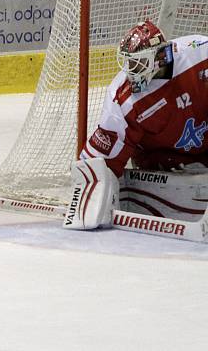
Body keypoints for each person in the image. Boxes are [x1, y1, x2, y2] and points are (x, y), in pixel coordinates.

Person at [64, 20, 208, 230]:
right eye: (129, 63)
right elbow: (97, 162)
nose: (130, 70)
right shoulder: (123, 98)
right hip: (163, 165)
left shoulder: (200, 55)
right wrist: (88, 199)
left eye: (138, 63)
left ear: (160, 57)